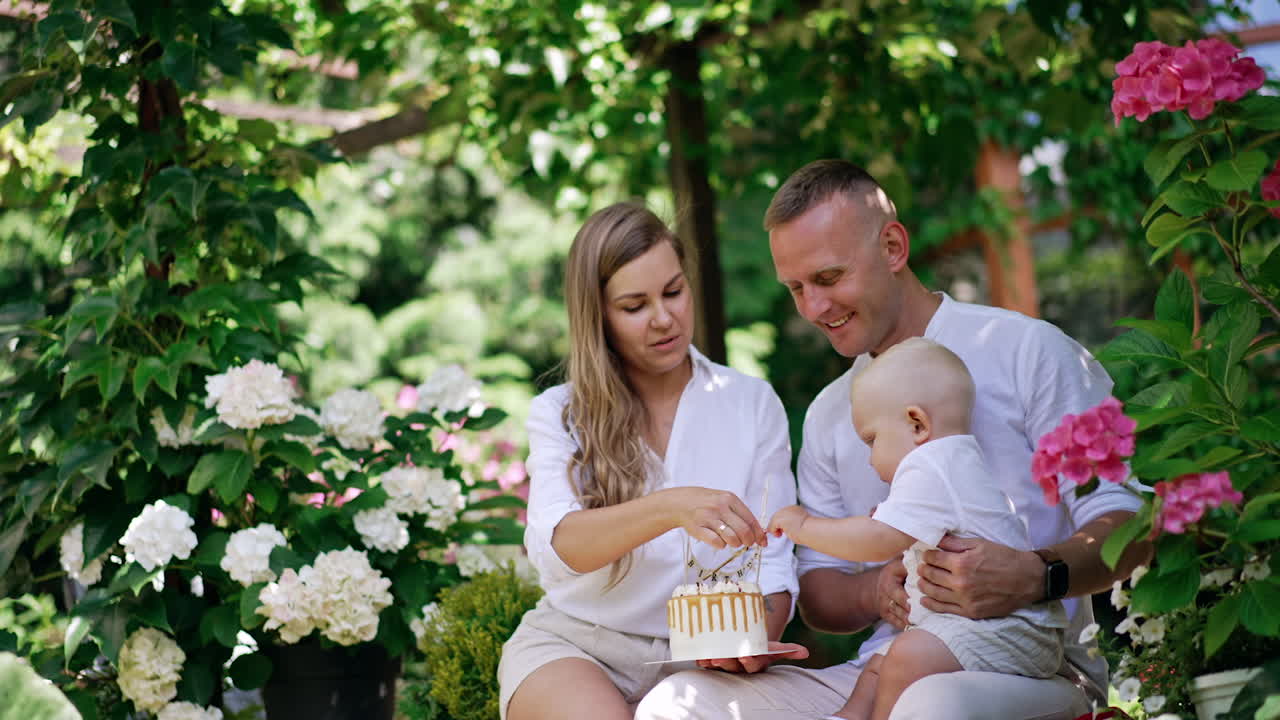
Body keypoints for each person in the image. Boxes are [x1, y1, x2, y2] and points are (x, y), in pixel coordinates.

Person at [634, 160, 1150, 720]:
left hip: (1032, 670)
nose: (813, 308)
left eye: (829, 279)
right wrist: (874, 591)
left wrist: (1036, 574)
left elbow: (1129, 522)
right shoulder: (834, 411)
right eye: (796, 288)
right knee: (676, 704)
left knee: (932, 703)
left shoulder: (1028, 351)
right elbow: (818, 588)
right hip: (884, 671)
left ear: (893, 247)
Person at [497, 202, 805, 720]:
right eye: (635, 305)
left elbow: (774, 568)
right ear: (599, 316)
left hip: (704, 658)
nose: (664, 318)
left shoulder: (751, 403)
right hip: (578, 646)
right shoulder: (560, 413)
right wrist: (669, 507)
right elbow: (557, 546)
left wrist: (751, 644)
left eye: (673, 292)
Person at [767, 337, 1067, 720]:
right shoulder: (949, 464)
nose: (871, 457)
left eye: (872, 439)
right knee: (879, 664)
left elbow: (876, 542)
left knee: (906, 656)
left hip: (1011, 632)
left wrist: (804, 525)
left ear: (917, 423)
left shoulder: (933, 465)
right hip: (977, 628)